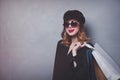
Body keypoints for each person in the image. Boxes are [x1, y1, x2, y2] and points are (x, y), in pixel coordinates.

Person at [52, 10, 108, 80]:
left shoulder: (87, 48)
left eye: (73, 23)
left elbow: (82, 77)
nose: (69, 26)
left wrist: (74, 53)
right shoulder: (61, 44)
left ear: (80, 26)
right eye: (67, 24)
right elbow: (56, 72)